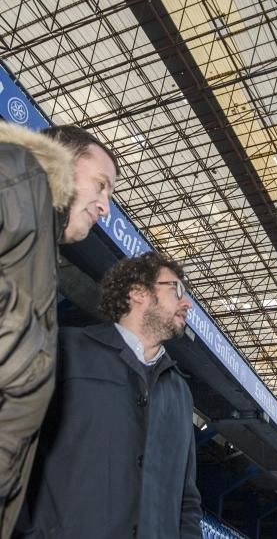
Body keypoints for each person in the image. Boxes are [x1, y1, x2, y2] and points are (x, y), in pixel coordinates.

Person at [18, 251, 202, 539]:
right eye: (176, 289)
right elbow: (15, 445)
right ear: (138, 293)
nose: (186, 302)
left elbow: (187, 500)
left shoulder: (181, 393)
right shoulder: (66, 350)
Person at [0, 122, 118, 538]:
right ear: (64, 160)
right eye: (101, 185)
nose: (105, 206)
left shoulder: (39, 243)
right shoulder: (17, 177)